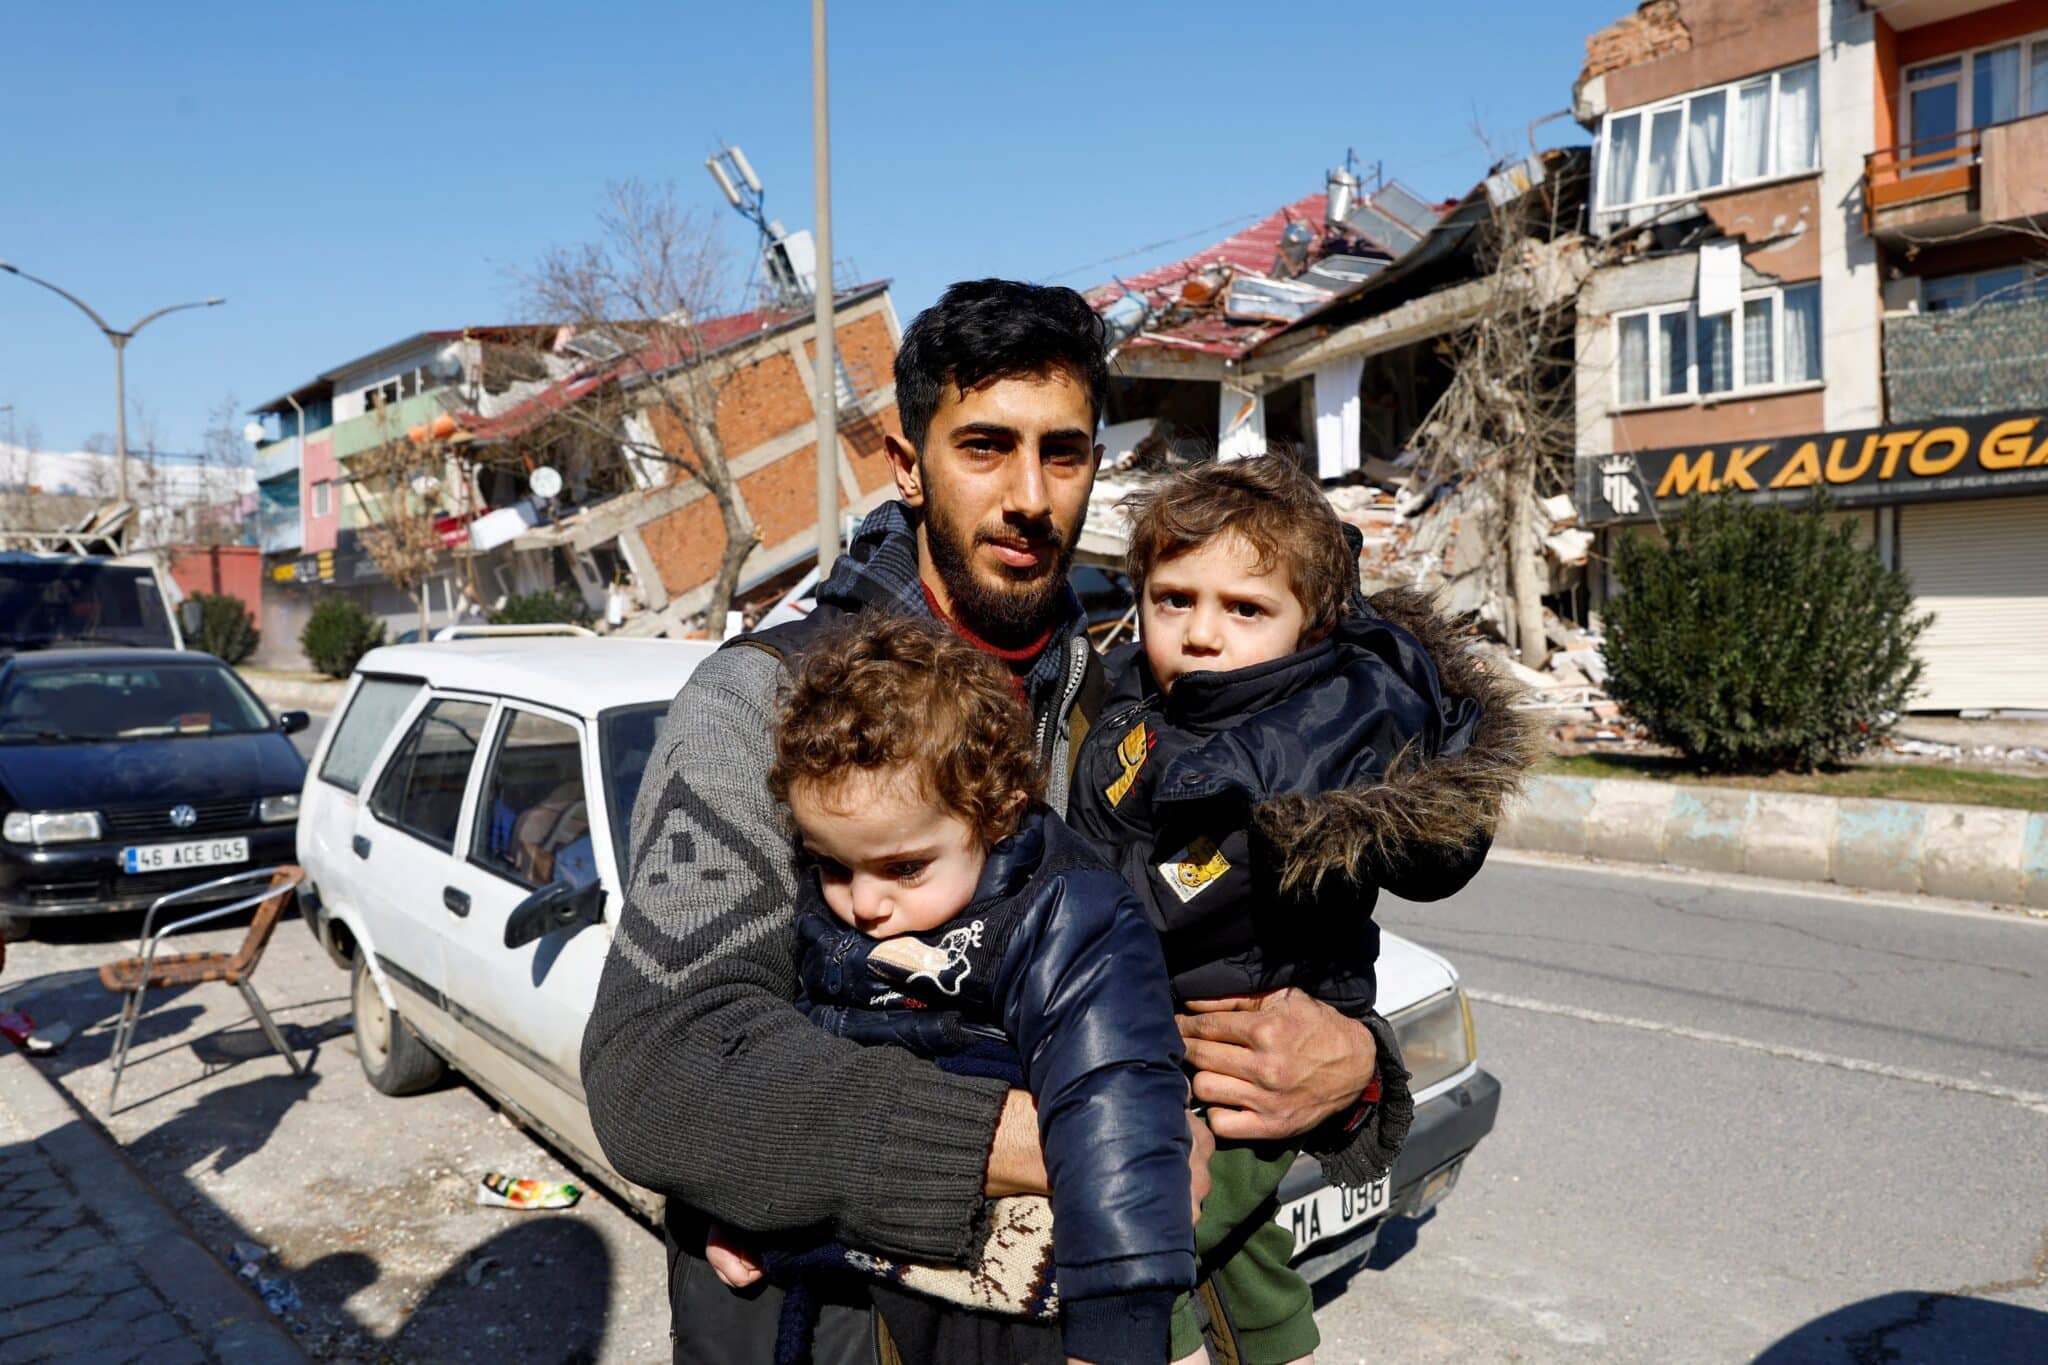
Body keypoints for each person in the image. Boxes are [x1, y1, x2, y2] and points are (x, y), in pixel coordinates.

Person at [581, 279, 1394, 1365]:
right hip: (832, 1331)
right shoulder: (765, 706)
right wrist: (1044, 1141)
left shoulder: (1141, 714)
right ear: (906, 464)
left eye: (1062, 453)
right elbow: (662, 1070)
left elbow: (1221, 975)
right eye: (983, 447)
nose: (1028, 495)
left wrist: (1352, 1067)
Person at [1066, 454, 1532, 1365]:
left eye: (1244, 608)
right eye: (1174, 599)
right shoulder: (1133, 701)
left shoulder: (1326, 719)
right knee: (1242, 1255)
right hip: (1155, 1030)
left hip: (1240, 1051)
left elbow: (1435, 839)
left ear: (1311, 625)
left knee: (1142, 1238)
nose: (1201, 633)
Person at [707, 614, 1196, 1364]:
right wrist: (756, 1198)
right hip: (878, 1258)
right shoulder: (834, 906)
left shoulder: (1066, 917)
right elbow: (799, 1065)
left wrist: (1118, 1330)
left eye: (904, 868)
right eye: (833, 866)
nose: (864, 904)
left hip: (1020, 1293)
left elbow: (1116, 1109)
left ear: (994, 814)